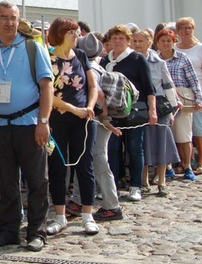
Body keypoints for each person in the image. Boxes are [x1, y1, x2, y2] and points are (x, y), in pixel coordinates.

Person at [0, 1, 53, 252]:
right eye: (4, 17)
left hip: (29, 124)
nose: (9, 22)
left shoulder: (32, 48)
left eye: (14, 18)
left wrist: (43, 121)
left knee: (37, 181)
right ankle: (9, 231)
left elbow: (46, 86)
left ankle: (36, 232)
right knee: (6, 182)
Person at [45, 18, 99, 236]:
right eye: (72, 32)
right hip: (57, 119)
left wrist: (89, 106)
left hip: (83, 120)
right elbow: (46, 93)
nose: (77, 36)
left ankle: (88, 215)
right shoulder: (48, 58)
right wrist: (71, 108)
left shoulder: (82, 56)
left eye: (77, 32)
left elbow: (92, 85)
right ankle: (60, 215)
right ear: (60, 33)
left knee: (85, 166)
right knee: (57, 167)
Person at [67, 33, 124, 221]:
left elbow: (99, 95)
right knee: (84, 159)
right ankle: (79, 200)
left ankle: (111, 205)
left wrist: (105, 118)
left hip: (97, 120)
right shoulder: (99, 66)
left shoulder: (88, 68)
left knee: (98, 160)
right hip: (98, 120)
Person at [100, 25, 157, 203]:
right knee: (112, 149)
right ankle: (112, 186)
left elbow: (149, 87)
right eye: (114, 38)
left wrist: (152, 110)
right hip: (111, 112)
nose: (117, 41)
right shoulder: (105, 61)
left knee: (134, 148)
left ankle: (135, 186)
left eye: (121, 38)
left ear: (128, 40)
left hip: (134, 110)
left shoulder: (137, 58)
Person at [131, 29, 180, 197]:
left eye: (140, 41)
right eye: (134, 41)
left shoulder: (158, 62)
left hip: (159, 107)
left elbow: (168, 86)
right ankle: (144, 181)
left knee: (161, 142)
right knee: (143, 143)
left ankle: (162, 181)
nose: (137, 44)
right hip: (140, 107)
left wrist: (172, 110)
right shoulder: (130, 61)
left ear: (149, 42)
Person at [155, 28, 202, 181]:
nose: (166, 43)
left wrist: (199, 98)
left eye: (169, 40)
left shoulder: (182, 58)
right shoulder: (154, 59)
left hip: (182, 97)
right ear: (157, 43)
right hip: (162, 100)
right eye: (163, 41)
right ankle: (168, 167)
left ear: (174, 41)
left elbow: (193, 79)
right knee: (166, 135)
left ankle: (188, 165)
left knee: (184, 135)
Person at [175, 17, 202, 174]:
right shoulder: (175, 48)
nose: (187, 30)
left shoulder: (200, 49)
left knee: (198, 127)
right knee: (182, 129)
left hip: (195, 93)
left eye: (189, 27)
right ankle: (186, 161)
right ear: (178, 31)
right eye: (183, 28)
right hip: (179, 94)